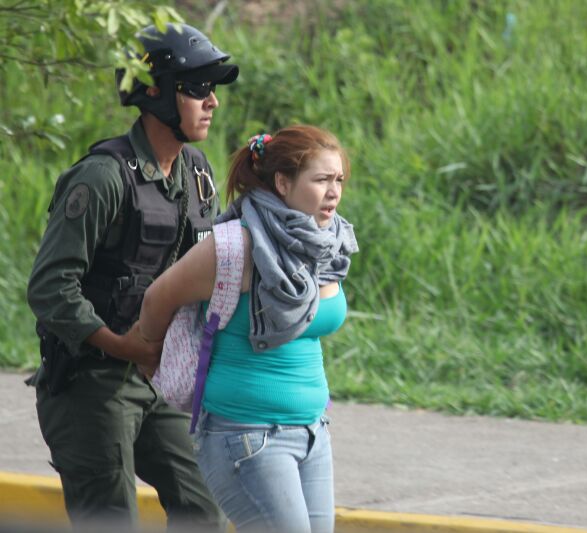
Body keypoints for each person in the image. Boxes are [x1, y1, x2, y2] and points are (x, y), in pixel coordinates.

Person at [26, 23, 238, 529]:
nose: (211, 102)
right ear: (155, 93)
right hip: (90, 382)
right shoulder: (103, 177)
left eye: (212, 90)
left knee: (205, 511)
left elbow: (205, 270)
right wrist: (126, 347)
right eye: (197, 88)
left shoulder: (197, 173)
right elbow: (51, 288)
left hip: (155, 378)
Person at [137, 125, 359, 533]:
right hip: (247, 438)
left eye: (339, 179)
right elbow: (157, 299)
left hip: (312, 433)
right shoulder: (237, 245)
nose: (334, 191)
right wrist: (150, 356)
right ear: (282, 182)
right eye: (322, 179)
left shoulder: (326, 243)